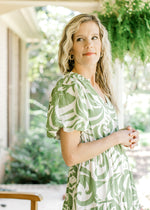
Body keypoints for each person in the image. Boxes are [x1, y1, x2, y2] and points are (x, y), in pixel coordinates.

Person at [46, 14, 140, 209]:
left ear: (102, 45)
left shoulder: (100, 87)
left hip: (116, 189)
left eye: (94, 37)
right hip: (94, 194)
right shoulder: (70, 87)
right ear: (70, 49)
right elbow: (71, 156)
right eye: (80, 39)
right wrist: (116, 138)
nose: (89, 44)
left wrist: (125, 136)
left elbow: (100, 138)